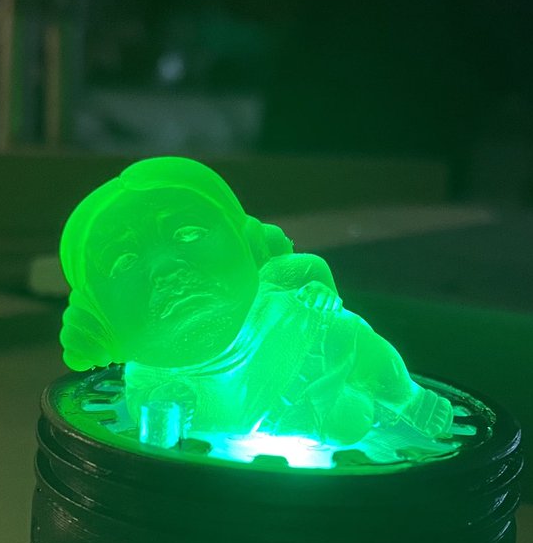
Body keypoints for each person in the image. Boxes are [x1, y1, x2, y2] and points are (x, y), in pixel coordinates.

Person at [58, 157, 453, 446]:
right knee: (343, 425)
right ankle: (340, 407)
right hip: (257, 414)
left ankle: (408, 398)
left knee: (357, 339)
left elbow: (310, 269)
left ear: (251, 244)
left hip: (303, 342)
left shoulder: (274, 283)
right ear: (95, 321)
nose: (164, 269)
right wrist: (166, 404)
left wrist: (322, 294)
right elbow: (151, 417)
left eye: (188, 234)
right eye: (124, 261)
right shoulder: (148, 372)